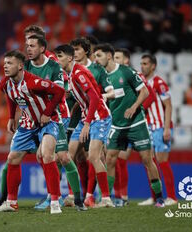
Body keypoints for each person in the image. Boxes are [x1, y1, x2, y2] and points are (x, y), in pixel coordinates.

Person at [0, 50, 65, 214]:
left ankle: (54, 202)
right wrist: (11, 117)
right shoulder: (4, 83)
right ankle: (11, 202)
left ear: (20, 66)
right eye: (4, 63)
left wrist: (47, 113)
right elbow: (11, 97)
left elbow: (59, 92)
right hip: (27, 123)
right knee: (12, 158)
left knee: (46, 155)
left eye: (10, 63)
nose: (5, 66)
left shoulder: (34, 82)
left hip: (49, 121)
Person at [94, 43, 165, 208]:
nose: (96, 59)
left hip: (136, 123)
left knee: (147, 159)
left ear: (109, 56)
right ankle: (107, 199)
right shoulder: (101, 75)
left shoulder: (126, 71)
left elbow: (145, 92)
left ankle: (159, 198)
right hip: (116, 125)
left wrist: (134, 107)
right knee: (110, 160)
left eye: (99, 55)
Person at [25, 34, 86, 211]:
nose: (29, 48)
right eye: (27, 45)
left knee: (62, 157)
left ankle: (74, 198)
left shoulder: (53, 65)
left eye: (32, 45)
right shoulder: (27, 65)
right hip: (39, 118)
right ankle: (55, 196)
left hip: (57, 116)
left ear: (42, 48)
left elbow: (61, 93)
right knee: (44, 156)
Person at [54, 44, 115, 208]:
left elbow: (95, 98)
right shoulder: (69, 74)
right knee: (67, 155)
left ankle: (106, 198)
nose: (57, 60)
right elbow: (83, 100)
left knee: (94, 157)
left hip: (99, 117)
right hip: (85, 118)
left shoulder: (79, 73)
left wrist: (87, 124)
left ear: (69, 58)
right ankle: (73, 197)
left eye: (60, 56)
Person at [138, 54, 177, 206]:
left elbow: (168, 105)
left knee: (162, 161)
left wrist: (167, 128)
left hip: (161, 127)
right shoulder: (142, 83)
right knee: (149, 161)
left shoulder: (159, 83)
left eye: (145, 63)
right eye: (141, 63)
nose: (142, 66)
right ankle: (155, 197)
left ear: (153, 66)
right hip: (149, 127)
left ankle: (172, 197)